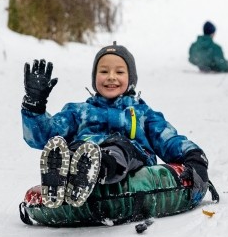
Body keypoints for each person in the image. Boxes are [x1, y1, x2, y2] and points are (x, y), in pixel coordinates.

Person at [21, 42, 210, 209]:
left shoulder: (143, 113)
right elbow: (45, 137)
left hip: (131, 158)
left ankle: (97, 168)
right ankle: (67, 172)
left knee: (118, 147)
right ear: (94, 78)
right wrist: (34, 107)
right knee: (78, 147)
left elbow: (169, 140)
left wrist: (194, 156)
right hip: (86, 150)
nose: (111, 77)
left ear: (131, 79)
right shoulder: (78, 111)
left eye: (119, 72)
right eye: (103, 71)